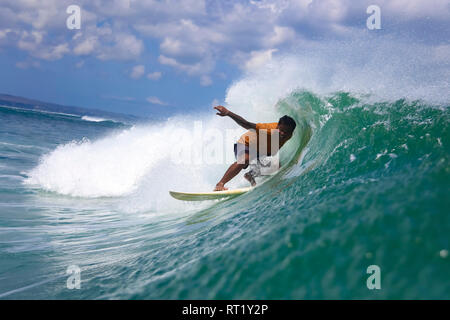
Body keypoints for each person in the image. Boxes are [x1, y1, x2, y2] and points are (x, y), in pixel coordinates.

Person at [213, 105, 296, 191]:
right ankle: (220, 184)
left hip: (260, 151)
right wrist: (228, 113)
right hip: (246, 144)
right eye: (281, 130)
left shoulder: (289, 135)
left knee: (276, 165)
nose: (283, 134)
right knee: (244, 159)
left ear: (291, 132)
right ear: (277, 126)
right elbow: (246, 124)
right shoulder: (268, 129)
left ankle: (251, 175)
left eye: (286, 132)